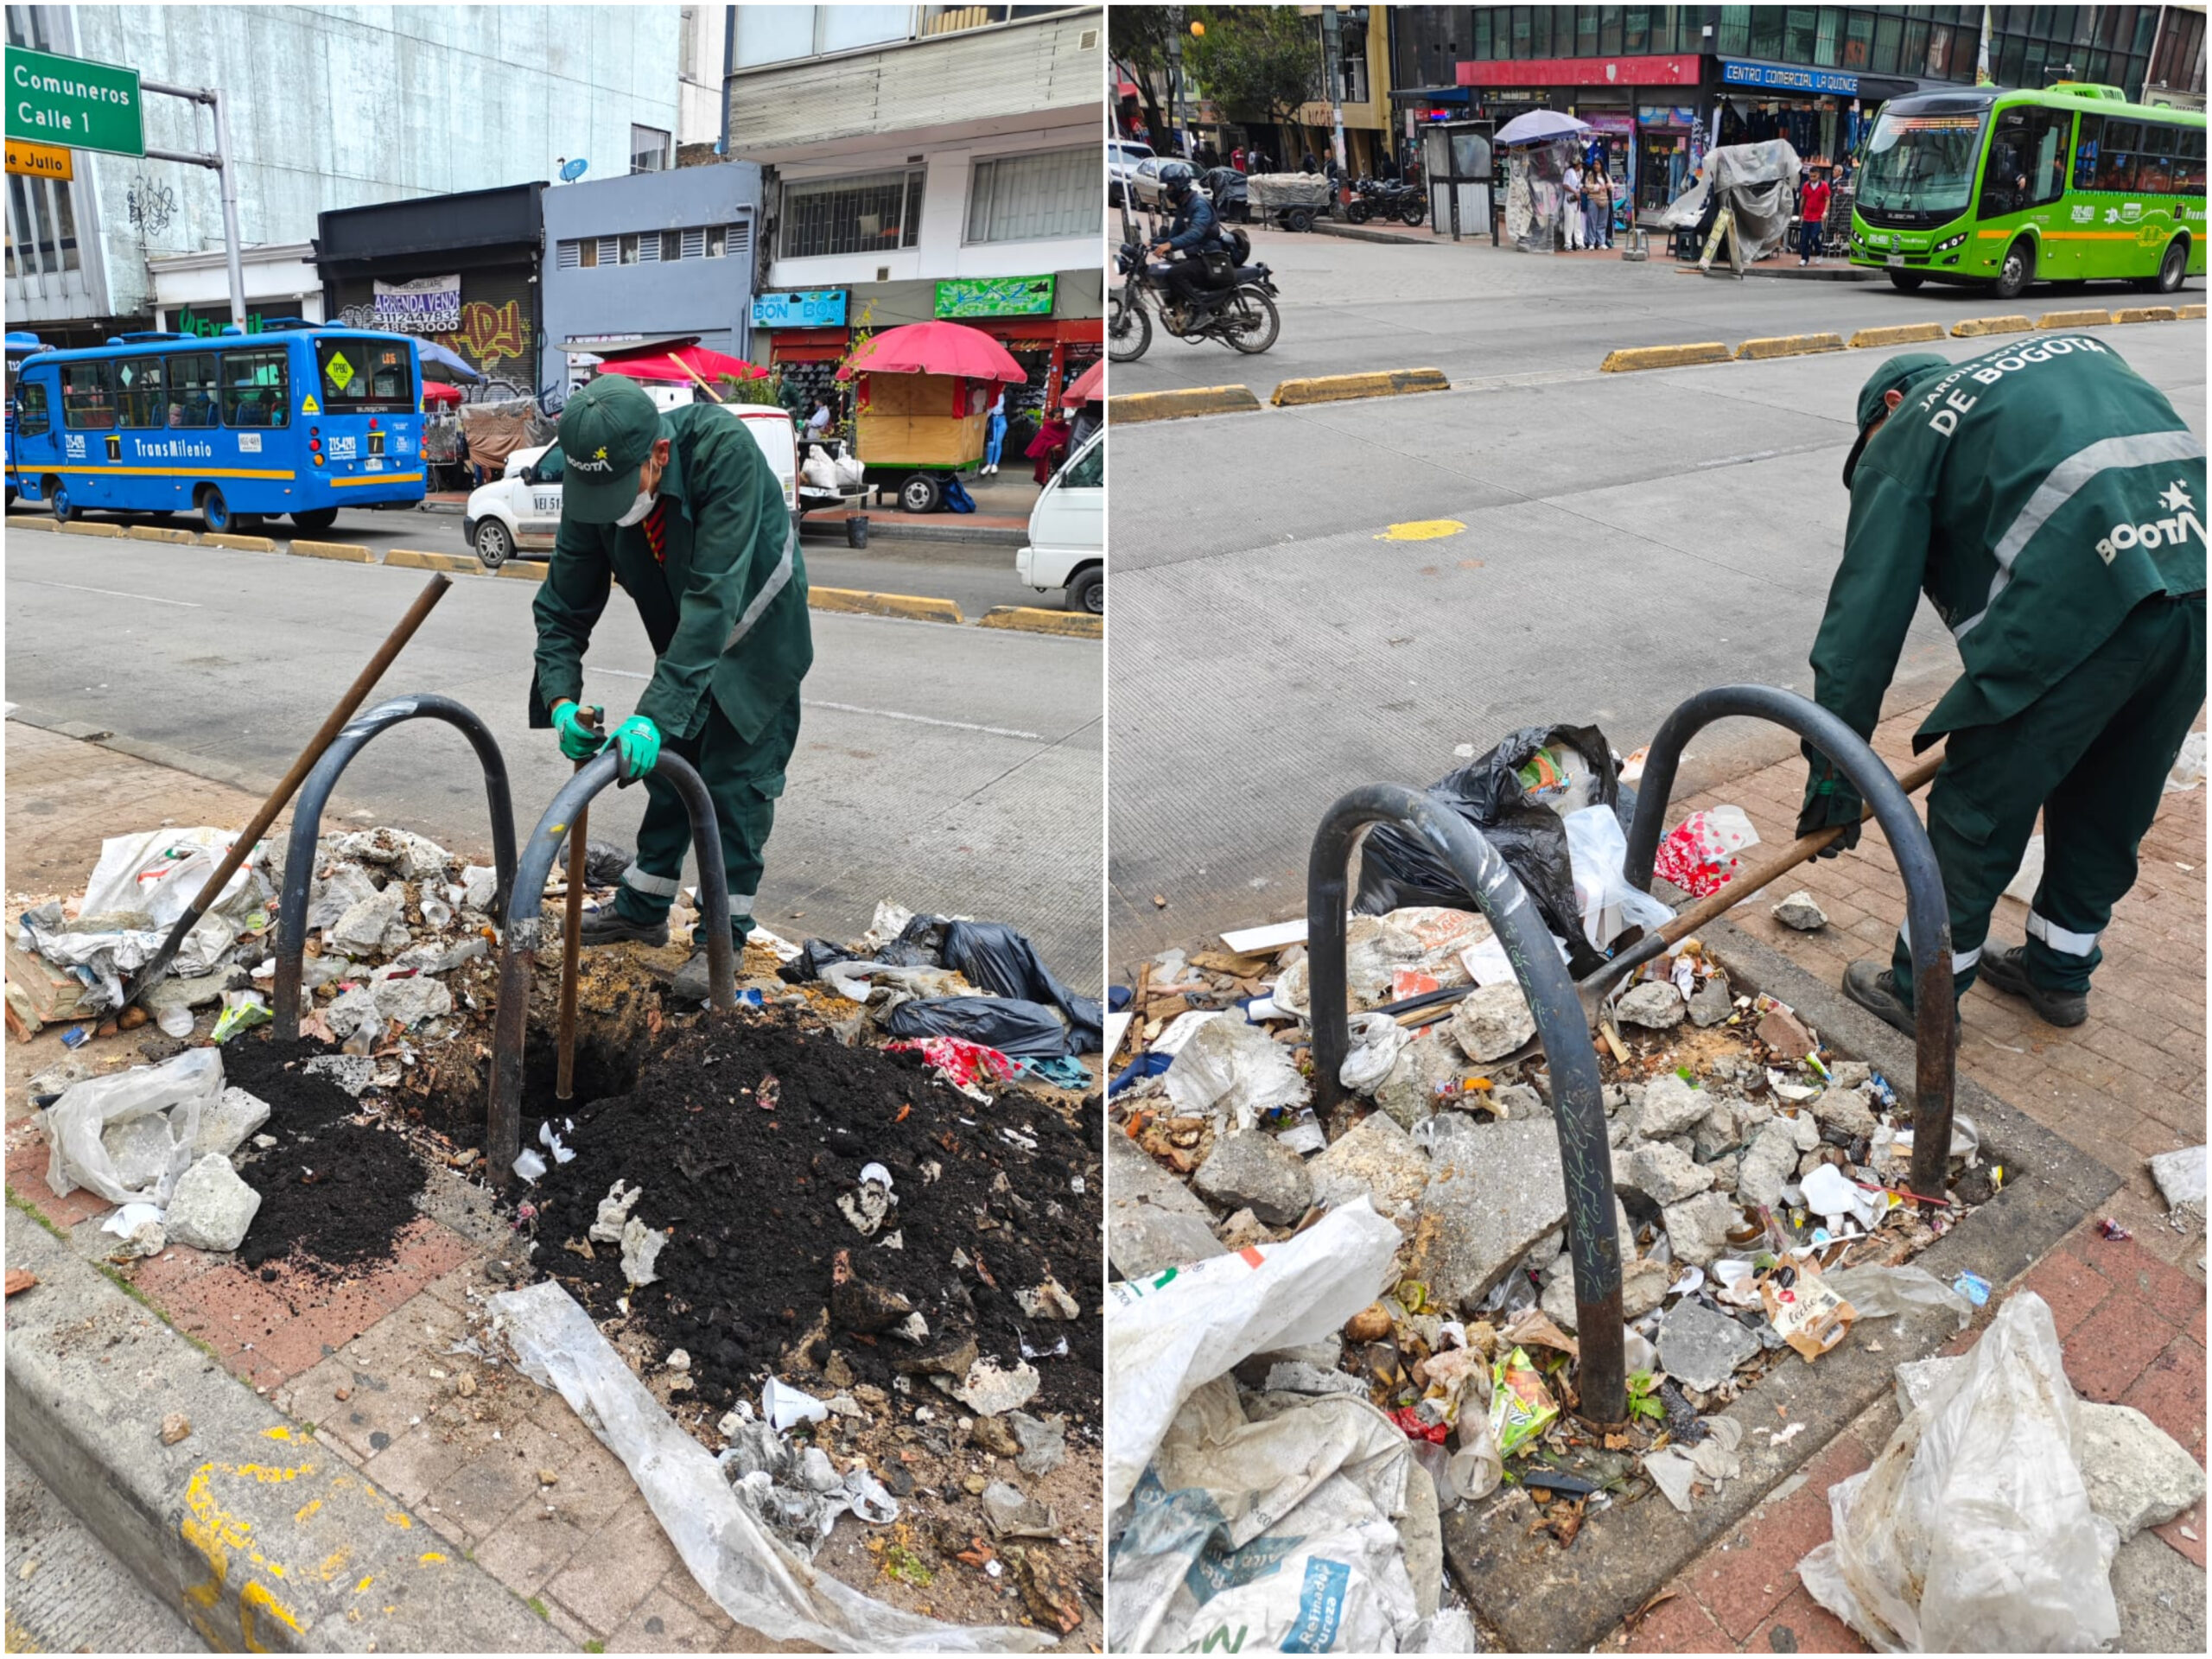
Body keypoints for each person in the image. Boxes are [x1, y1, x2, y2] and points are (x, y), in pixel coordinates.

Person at [1801, 343, 2206, 1036]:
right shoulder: (2056, 363)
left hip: (2077, 611)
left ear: (1890, 406)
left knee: (1976, 809)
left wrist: (1835, 778)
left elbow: (1862, 630)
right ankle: (2058, 975)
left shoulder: (1912, 424)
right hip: (2193, 586)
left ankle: (1920, 996)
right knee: (2111, 794)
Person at [532, 373, 813, 1001]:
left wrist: (655, 711)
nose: (604, 508)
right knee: (666, 769)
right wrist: (561, 701)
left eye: (614, 490)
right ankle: (644, 906)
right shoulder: (598, 491)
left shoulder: (723, 454)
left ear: (658, 455)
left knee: (735, 791)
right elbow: (562, 606)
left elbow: (715, 601)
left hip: (758, 643)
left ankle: (723, 935)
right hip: (684, 649)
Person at [1147, 162, 1230, 326]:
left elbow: (1195, 233)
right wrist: (1153, 242)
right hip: (1197, 256)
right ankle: (1183, 308)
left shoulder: (1199, 205)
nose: (1167, 190)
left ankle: (1201, 312)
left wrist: (1170, 245)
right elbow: (1174, 235)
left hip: (1209, 257)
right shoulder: (1183, 208)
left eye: (1170, 186)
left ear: (1180, 186)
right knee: (1168, 270)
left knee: (1175, 274)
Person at [1026, 407, 1071, 486]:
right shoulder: (1046, 429)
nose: (1060, 420)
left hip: (1064, 459)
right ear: (1052, 418)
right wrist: (1051, 447)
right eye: (1057, 418)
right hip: (1050, 462)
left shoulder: (1068, 429)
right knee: (1049, 483)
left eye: (1061, 417)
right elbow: (1039, 444)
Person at [1561, 156, 1586, 250]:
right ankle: (1568, 244)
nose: (1581, 166)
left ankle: (1579, 243)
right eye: (1580, 164)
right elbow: (1565, 185)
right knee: (1569, 224)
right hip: (1569, 200)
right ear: (1577, 164)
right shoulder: (1569, 172)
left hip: (1577, 201)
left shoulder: (1579, 173)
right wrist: (1574, 191)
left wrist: (1582, 189)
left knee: (1577, 223)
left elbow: (1578, 185)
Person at [982, 387, 1007, 476]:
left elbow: (1010, 408)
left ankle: (995, 464)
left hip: (1002, 419)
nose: (1002, 387)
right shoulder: (991, 395)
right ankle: (989, 463)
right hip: (992, 419)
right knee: (991, 443)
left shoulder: (1007, 396)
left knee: (998, 443)